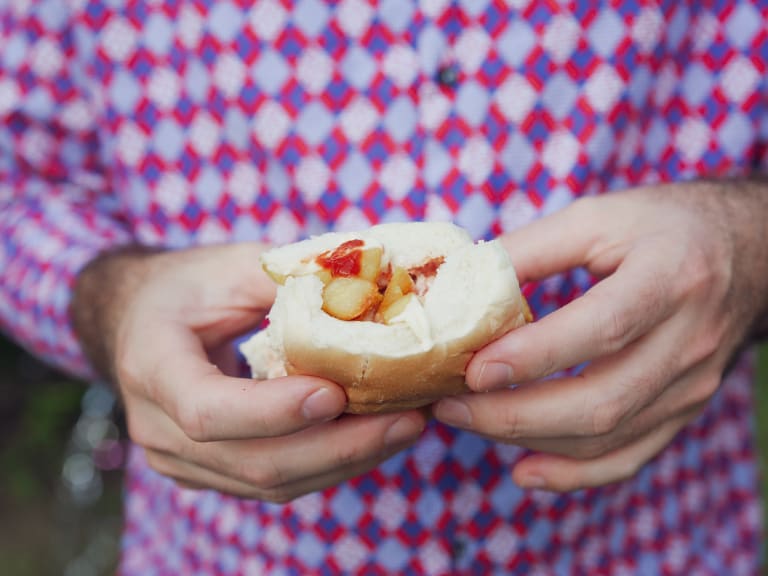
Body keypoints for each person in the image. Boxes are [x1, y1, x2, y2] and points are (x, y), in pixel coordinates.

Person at [1, 1, 766, 573]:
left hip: (652, 539)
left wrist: (748, 246)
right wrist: (111, 303)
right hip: (222, 549)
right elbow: (16, 188)